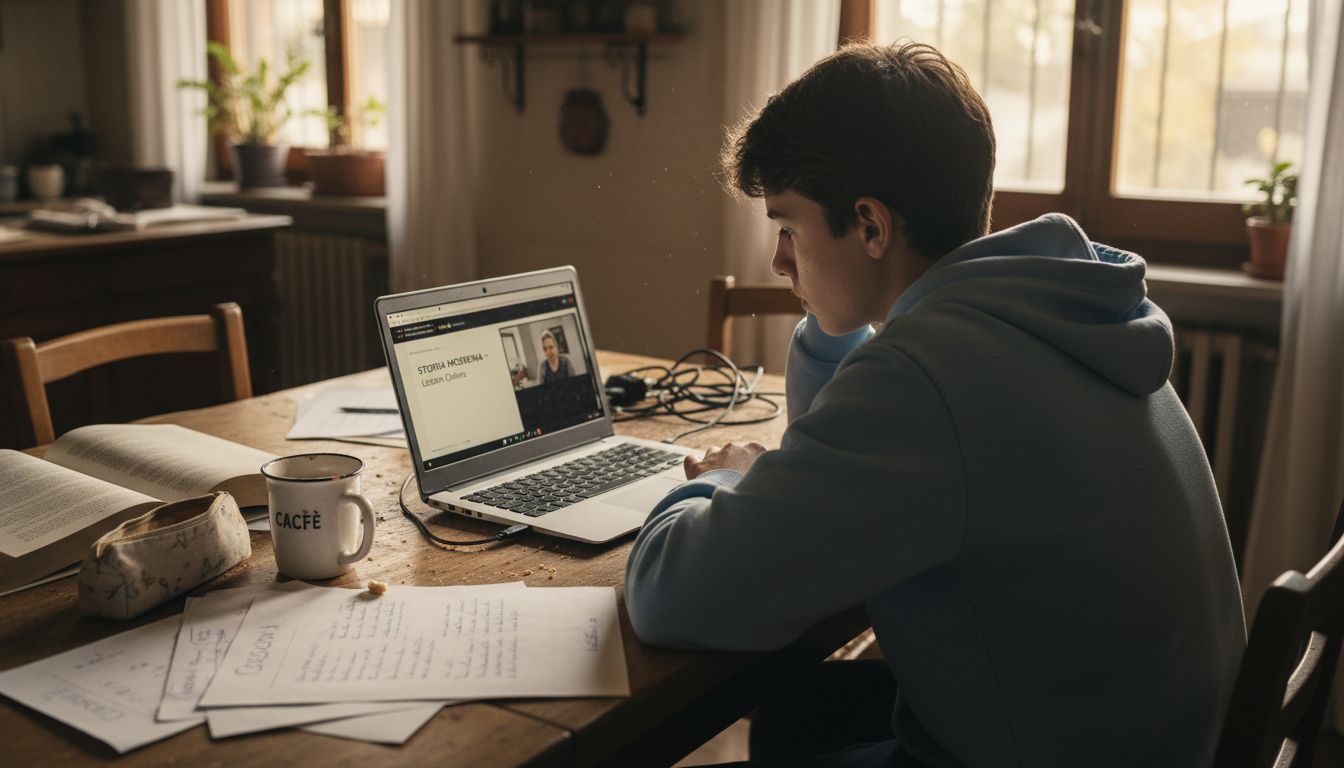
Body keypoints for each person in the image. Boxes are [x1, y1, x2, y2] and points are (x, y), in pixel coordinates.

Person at [623, 42, 1245, 767]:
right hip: (1141, 736)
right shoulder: (1053, 311)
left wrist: (714, 481)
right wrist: (836, 331)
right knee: (801, 715)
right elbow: (839, 450)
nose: (778, 261)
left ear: (872, 226)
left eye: (788, 228)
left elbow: (673, 596)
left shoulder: (931, 376)